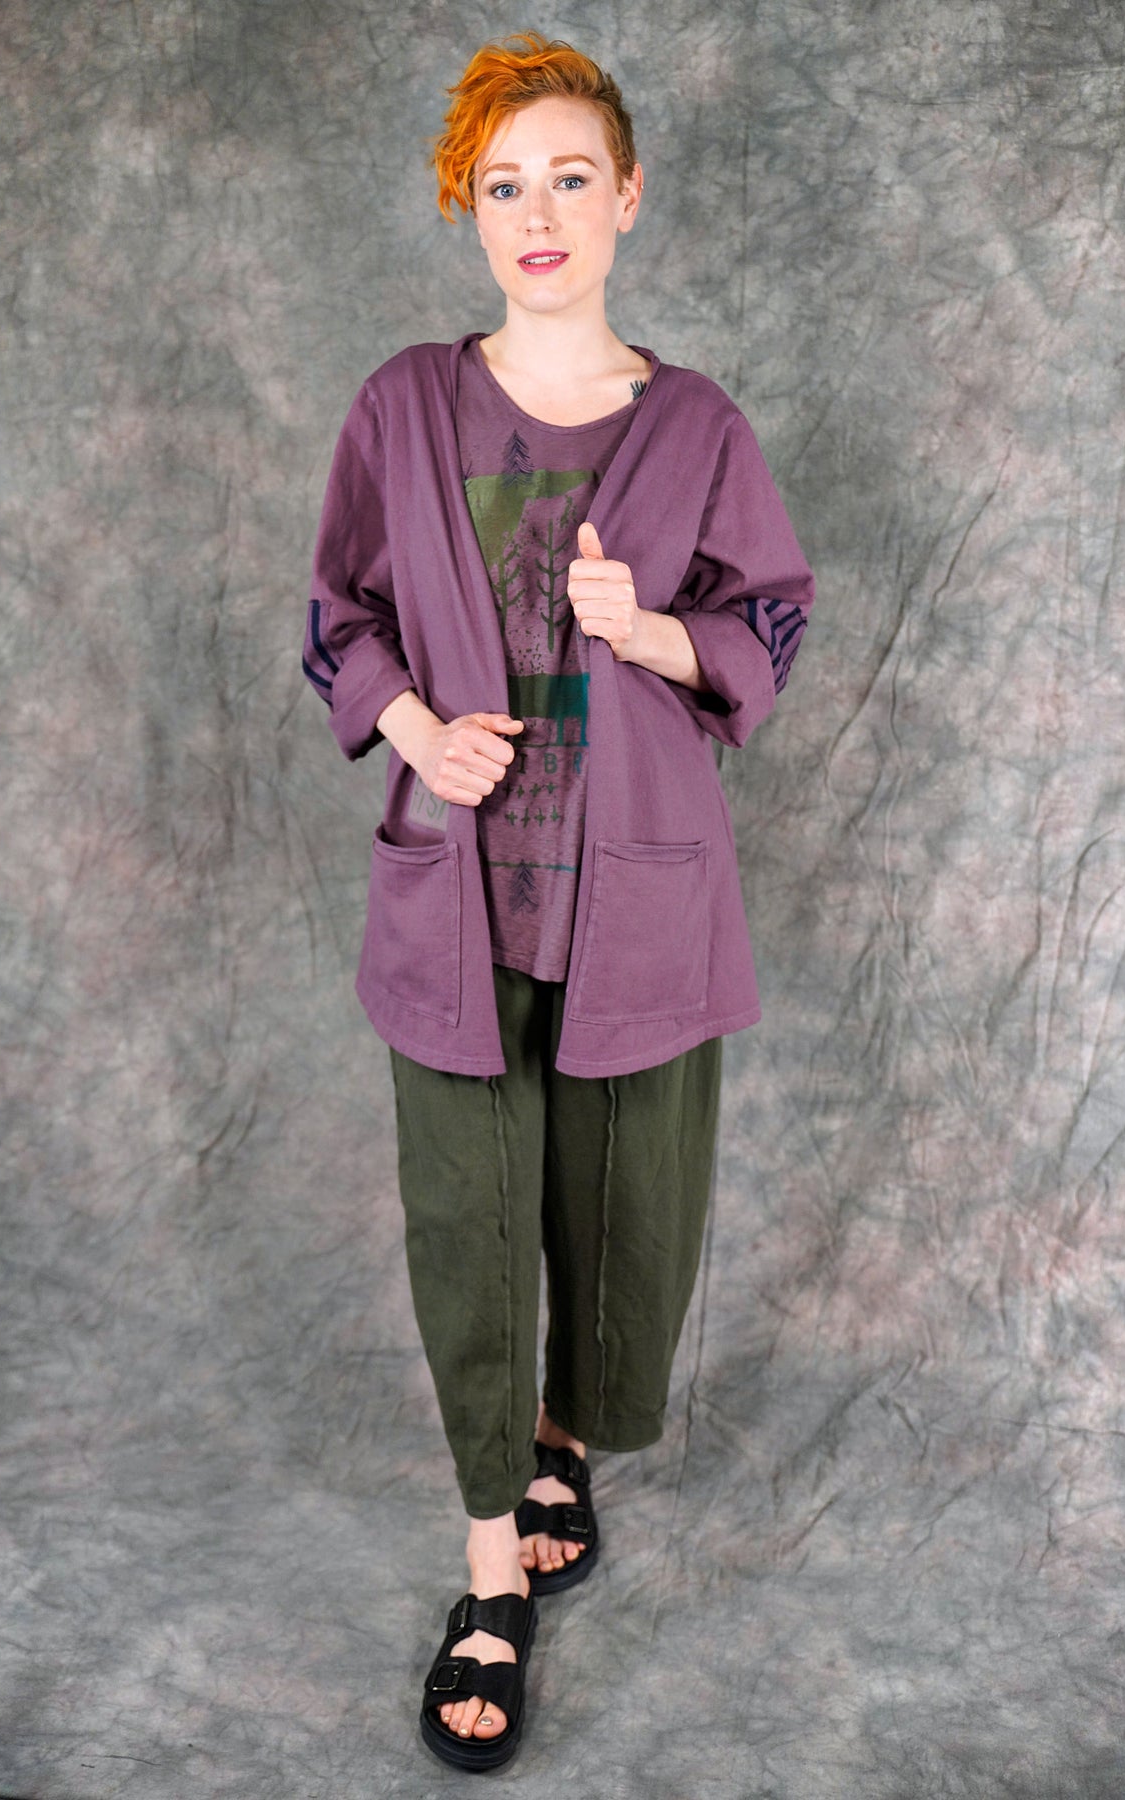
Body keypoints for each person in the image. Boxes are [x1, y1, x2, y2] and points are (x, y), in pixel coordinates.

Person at [302, 29, 815, 1772]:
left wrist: (646, 630)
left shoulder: (701, 427)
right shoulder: (402, 406)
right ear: (472, 210)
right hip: (456, 904)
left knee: (618, 1222)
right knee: (467, 1235)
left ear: (629, 196)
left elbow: (770, 620)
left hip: (640, 908)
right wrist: (413, 730)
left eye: (570, 177)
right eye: (503, 184)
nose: (538, 214)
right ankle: (486, 1574)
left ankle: (565, 1445)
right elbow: (339, 617)